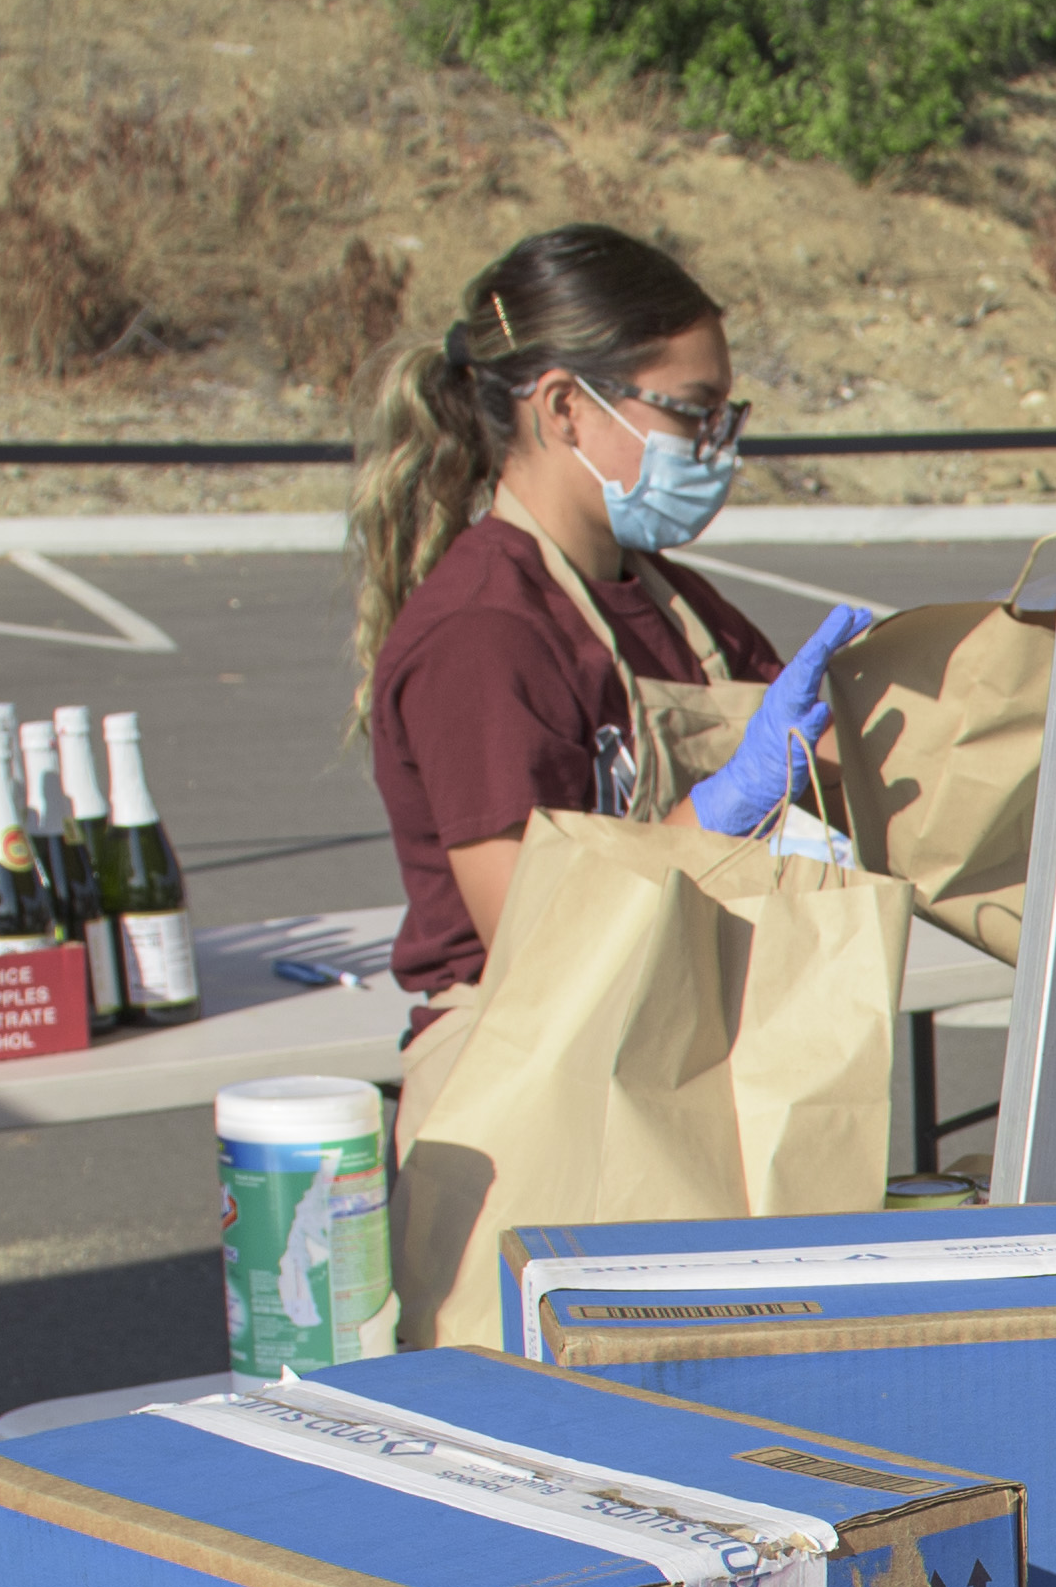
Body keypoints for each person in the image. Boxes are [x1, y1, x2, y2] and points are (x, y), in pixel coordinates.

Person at [355, 222, 865, 1014]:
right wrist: (716, 813)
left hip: (683, 1028)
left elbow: (838, 762)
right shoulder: (480, 637)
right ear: (565, 407)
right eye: (693, 413)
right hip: (544, 1086)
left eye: (725, 418)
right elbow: (538, 938)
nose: (716, 449)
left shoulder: (681, 605)